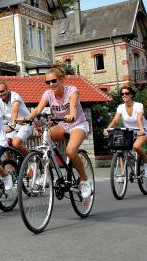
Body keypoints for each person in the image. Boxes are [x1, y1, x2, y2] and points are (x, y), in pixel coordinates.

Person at [19, 66, 93, 198]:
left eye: (54, 81)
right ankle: (45, 174)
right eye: (48, 82)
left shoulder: (72, 90)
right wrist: (26, 119)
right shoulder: (48, 94)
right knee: (45, 138)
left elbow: (73, 107)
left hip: (78, 124)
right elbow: (37, 110)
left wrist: (71, 115)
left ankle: (84, 180)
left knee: (70, 151)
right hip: (63, 124)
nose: (51, 84)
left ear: (62, 79)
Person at [103, 86, 147, 176]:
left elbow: (139, 119)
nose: (124, 95)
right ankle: (123, 174)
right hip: (128, 131)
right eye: (122, 94)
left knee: (137, 147)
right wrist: (108, 129)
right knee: (120, 149)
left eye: (127, 93)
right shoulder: (120, 107)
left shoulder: (138, 105)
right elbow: (115, 120)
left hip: (142, 129)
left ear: (132, 95)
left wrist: (142, 130)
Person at [0, 82, 32, 156]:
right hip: (13, 125)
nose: (0, 94)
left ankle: (31, 160)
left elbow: (15, 110)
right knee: (3, 143)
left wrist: (12, 126)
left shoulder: (15, 96)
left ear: (7, 89)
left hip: (26, 124)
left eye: (2, 91)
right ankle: (11, 163)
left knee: (16, 143)